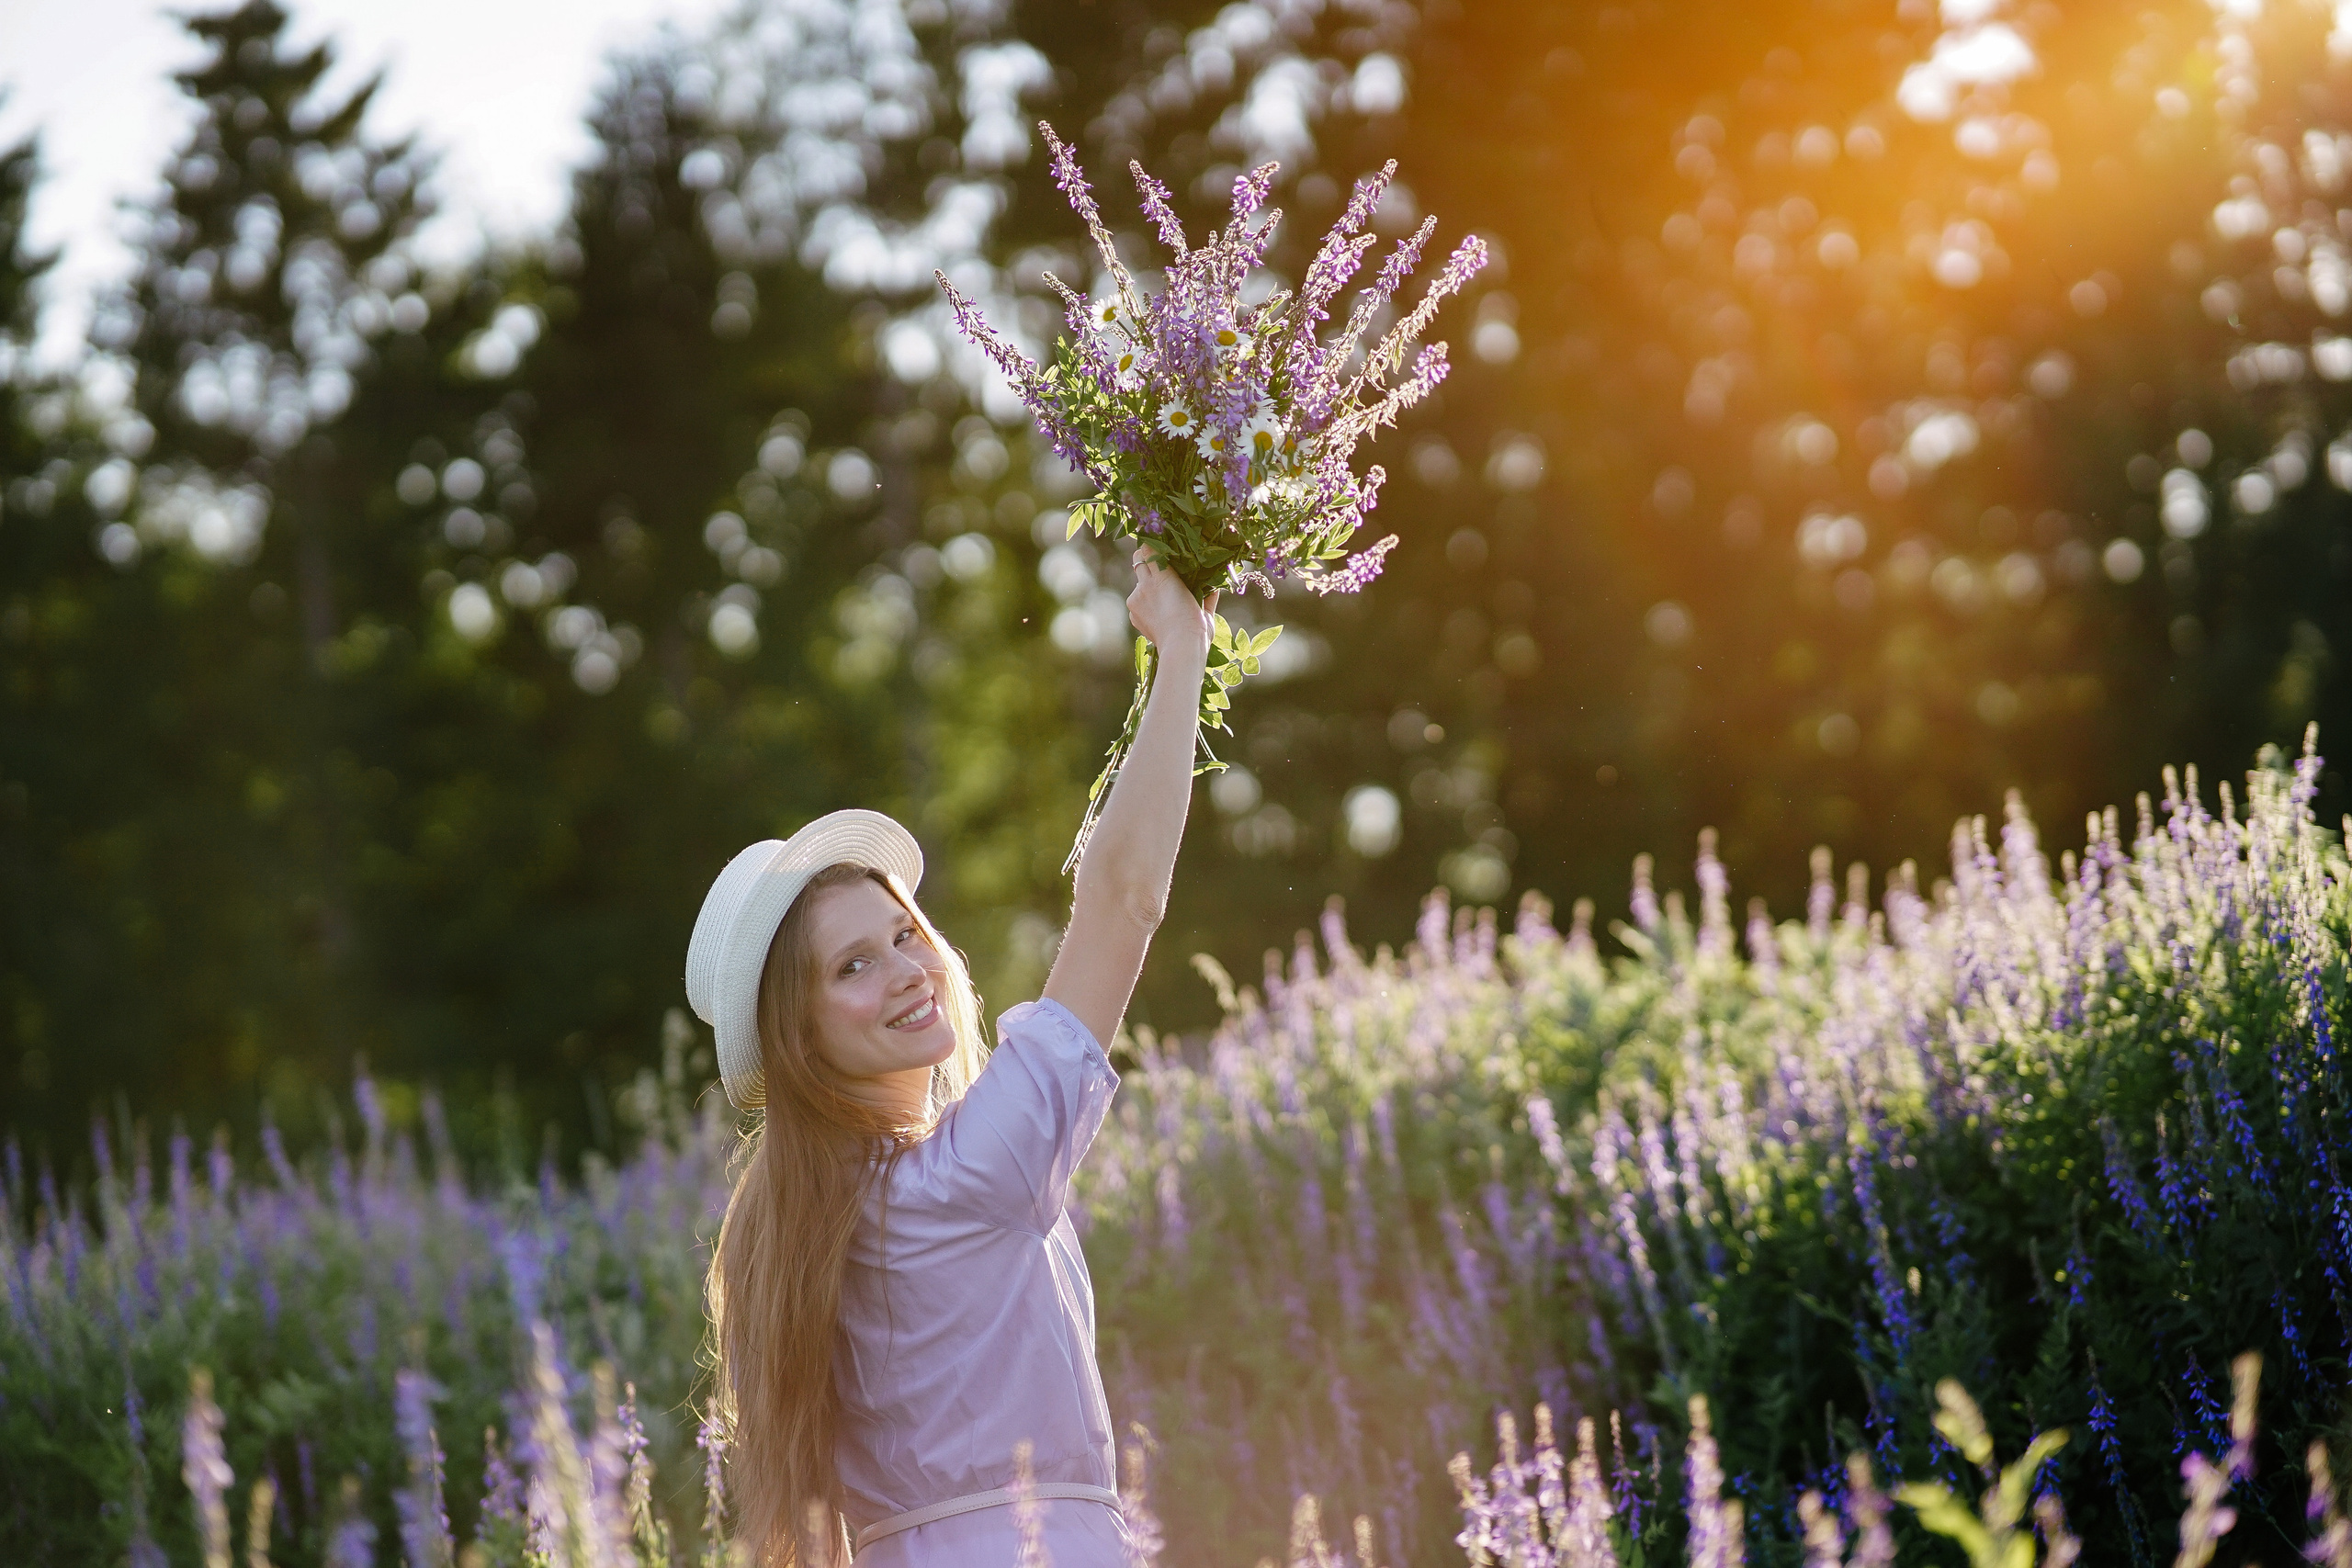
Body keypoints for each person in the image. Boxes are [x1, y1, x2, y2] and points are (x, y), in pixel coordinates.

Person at [684, 547, 1216, 1565]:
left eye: (901, 934)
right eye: (852, 965)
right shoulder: (962, 1177)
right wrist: (1183, 649)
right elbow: (1124, 899)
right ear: (800, 1036)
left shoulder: (799, 1220)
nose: (904, 969)